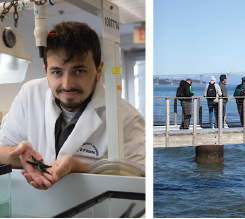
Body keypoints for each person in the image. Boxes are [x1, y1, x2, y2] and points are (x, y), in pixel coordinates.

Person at [0, 21, 146, 190]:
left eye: (79, 71)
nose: (67, 84)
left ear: (98, 71)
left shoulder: (126, 118)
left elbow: (138, 183)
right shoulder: (29, 94)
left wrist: (78, 167)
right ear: (45, 70)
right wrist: (20, 157)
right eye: (56, 72)